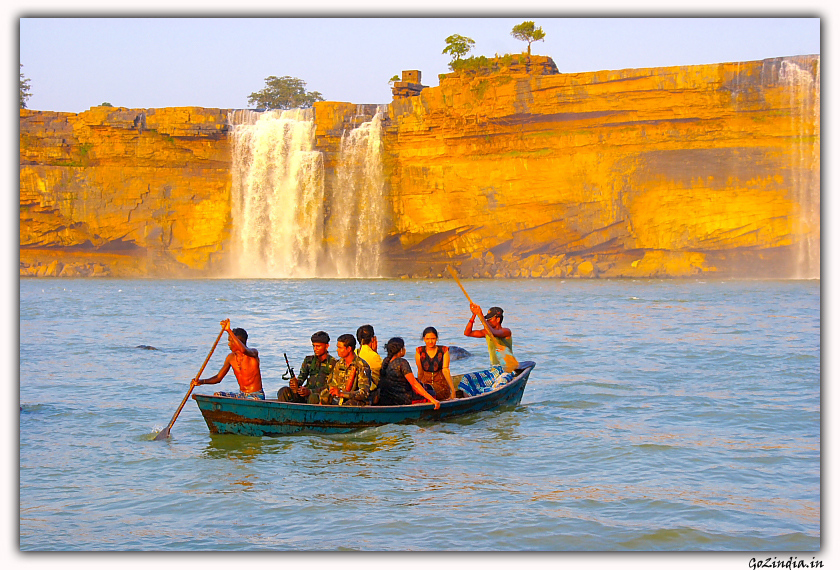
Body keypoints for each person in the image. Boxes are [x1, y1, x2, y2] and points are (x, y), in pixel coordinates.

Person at [191, 319, 264, 399]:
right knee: (217, 395)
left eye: (231, 341)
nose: (229, 344)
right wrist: (201, 381)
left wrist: (229, 330)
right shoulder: (231, 358)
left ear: (238, 342)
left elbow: (243, 350)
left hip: (256, 395)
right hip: (242, 395)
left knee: (250, 400)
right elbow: (218, 378)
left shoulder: (253, 353)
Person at [378, 337, 440, 409]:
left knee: (427, 387)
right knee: (432, 393)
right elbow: (414, 384)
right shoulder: (402, 362)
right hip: (403, 399)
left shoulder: (386, 361)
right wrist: (433, 400)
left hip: (389, 397)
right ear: (401, 350)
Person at [278, 331, 336, 404]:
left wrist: (310, 391)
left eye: (318, 346)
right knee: (283, 391)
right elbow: (301, 378)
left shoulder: (334, 363)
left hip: (321, 396)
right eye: (314, 346)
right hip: (305, 393)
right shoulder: (309, 360)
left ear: (327, 346)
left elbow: (331, 387)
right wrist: (295, 384)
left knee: (313, 397)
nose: (315, 349)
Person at [320, 334, 372, 406]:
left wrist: (343, 394)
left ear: (349, 349)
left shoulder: (362, 366)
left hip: (356, 401)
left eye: (340, 348)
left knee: (348, 404)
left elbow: (364, 393)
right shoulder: (339, 364)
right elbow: (333, 384)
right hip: (340, 398)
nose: (337, 350)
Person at [463, 304, 517, 370]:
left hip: (507, 369)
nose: (488, 321)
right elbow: (467, 333)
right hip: (494, 369)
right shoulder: (487, 332)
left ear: (498, 319)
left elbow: (494, 333)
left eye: (490, 319)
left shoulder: (506, 331)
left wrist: (480, 315)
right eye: (487, 319)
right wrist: (474, 315)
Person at [415, 326, 455, 401]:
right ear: (424, 339)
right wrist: (418, 388)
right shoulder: (419, 351)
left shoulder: (444, 350)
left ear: (436, 338)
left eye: (433, 339)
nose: (430, 342)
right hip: (425, 384)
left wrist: (452, 390)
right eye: (427, 339)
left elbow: (445, 370)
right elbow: (420, 372)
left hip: (441, 385)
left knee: (429, 391)